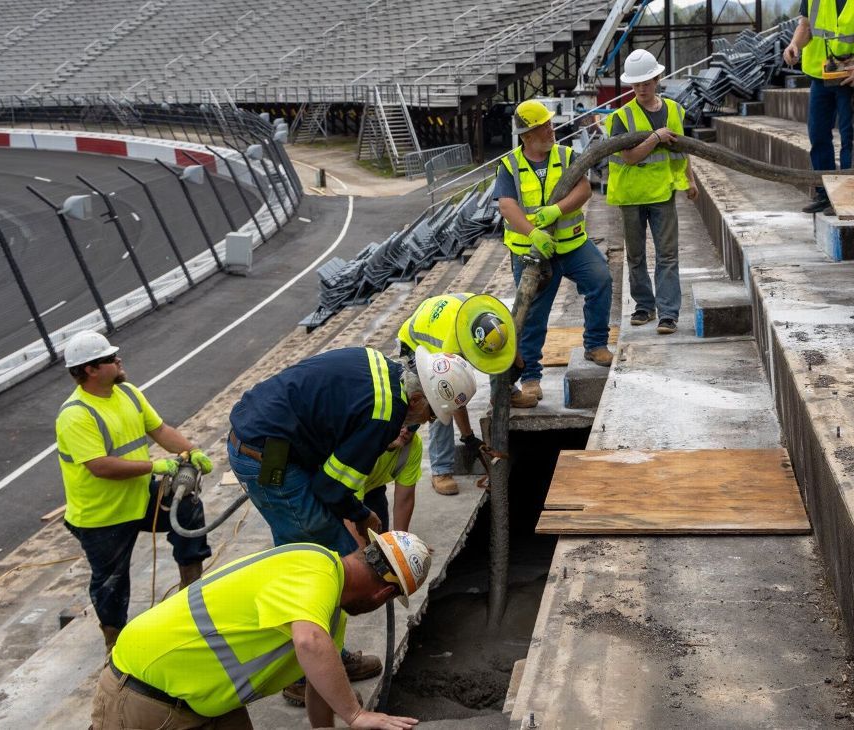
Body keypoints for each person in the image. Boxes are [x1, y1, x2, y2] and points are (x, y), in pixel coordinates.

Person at [226, 345, 476, 699]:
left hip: (269, 439)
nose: (428, 422)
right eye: (431, 414)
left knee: (304, 558)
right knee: (332, 565)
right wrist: (362, 517)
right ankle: (306, 672)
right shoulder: (384, 415)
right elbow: (330, 489)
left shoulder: (380, 366)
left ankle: (316, 661)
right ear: (418, 398)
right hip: (269, 454)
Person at [92, 531, 431, 730]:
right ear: (384, 594)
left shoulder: (325, 604)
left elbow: (319, 684)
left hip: (200, 699)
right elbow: (309, 643)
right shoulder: (316, 574)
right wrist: (356, 715)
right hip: (144, 695)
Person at [54, 331, 212, 652]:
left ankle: (190, 591)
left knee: (187, 509)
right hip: (103, 516)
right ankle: (115, 644)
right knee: (111, 582)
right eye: (110, 359)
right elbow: (100, 466)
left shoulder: (127, 392)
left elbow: (160, 430)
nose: (118, 360)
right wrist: (154, 467)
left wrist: (190, 452)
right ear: (91, 370)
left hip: (139, 498)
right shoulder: (76, 415)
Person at [496, 99, 615, 406]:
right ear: (527, 136)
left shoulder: (565, 155)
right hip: (532, 252)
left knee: (600, 278)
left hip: (572, 245)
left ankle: (596, 344)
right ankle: (531, 378)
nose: (551, 129)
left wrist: (556, 210)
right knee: (533, 314)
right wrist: (533, 231)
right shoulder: (509, 165)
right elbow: (507, 205)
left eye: (549, 124)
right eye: (543, 126)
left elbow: (584, 189)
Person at [605, 49, 698, 336]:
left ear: (657, 79)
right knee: (635, 256)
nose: (642, 88)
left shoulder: (673, 110)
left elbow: (682, 150)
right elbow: (630, 156)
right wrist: (656, 137)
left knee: (667, 255)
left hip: (662, 192)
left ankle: (668, 313)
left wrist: (690, 180)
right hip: (631, 195)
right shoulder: (621, 117)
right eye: (636, 84)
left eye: (646, 82)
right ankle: (644, 306)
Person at [396, 292, 516, 495]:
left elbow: (507, 348)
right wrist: (468, 436)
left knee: (499, 359)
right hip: (415, 344)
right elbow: (452, 398)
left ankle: (506, 392)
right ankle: (441, 470)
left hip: (438, 321)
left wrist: (518, 365)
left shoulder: (497, 316)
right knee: (435, 405)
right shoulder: (453, 346)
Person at [782, 0, 854, 213]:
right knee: (818, 134)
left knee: (849, 135)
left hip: (853, 75)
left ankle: (849, 195)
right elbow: (805, 26)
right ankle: (825, 194)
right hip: (821, 75)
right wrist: (794, 45)